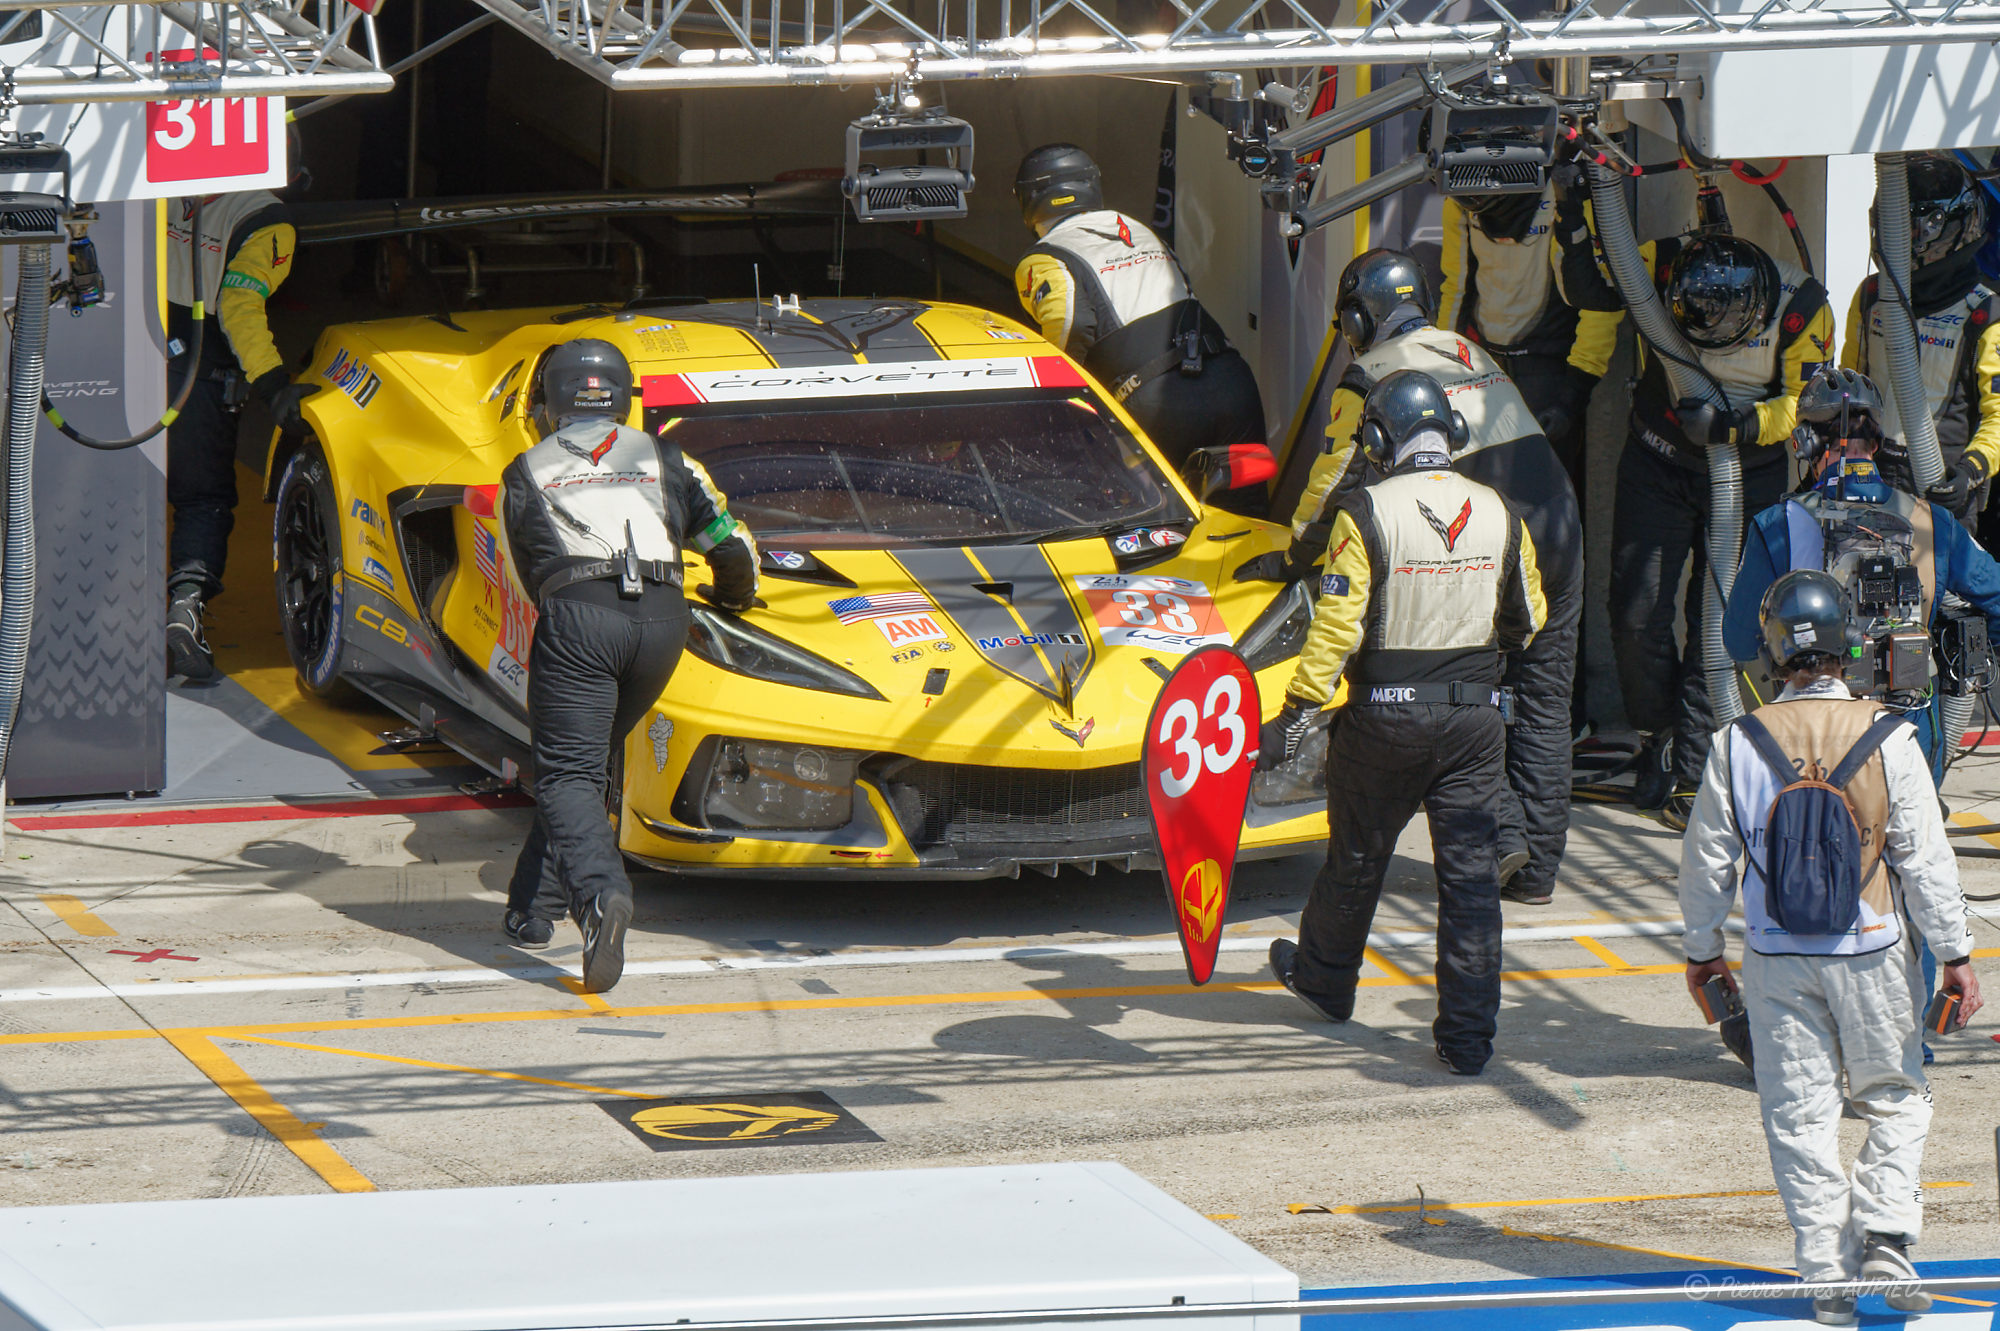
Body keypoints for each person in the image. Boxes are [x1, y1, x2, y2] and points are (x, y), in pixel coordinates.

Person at [1679, 568, 1979, 1326]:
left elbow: (1707, 863)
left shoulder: (1735, 741)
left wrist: (1703, 951)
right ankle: (1885, 1231)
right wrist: (1956, 954)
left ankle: (1825, 1274)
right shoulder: (1890, 736)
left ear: (1772, 649)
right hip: (1874, 949)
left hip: (1777, 960)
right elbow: (1925, 859)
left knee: (1798, 1116)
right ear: (1848, 646)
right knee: (1898, 1096)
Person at [1260, 248, 1582, 906]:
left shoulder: (1373, 373)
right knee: (1544, 703)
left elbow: (1334, 484)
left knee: (1452, 695)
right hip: (1558, 527)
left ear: (1357, 318)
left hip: (1485, 545)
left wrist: (1292, 557)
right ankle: (1536, 871)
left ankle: (1497, 842)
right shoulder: (1466, 350)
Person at [1261, 369, 1548, 1076]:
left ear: (1382, 439)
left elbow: (1336, 629)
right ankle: (1468, 1039)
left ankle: (1327, 981)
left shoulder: (1363, 513)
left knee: (1357, 858)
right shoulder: (1499, 510)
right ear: (1448, 436)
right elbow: (1530, 619)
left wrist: (1294, 713)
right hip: (1475, 725)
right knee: (1472, 884)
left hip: (1383, 721)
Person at [499, 338, 758, 992]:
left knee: (567, 773)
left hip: (582, 616)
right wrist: (732, 599)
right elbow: (733, 550)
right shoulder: (668, 457)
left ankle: (601, 897)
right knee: (582, 768)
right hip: (665, 624)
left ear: (550, 399)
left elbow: (531, 572)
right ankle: (534, 909)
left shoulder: (525, 469)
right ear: (624, 393)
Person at [1612, 229, 1833, 823]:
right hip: (1657, 455)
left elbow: (1805, 401)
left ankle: (1694, 772)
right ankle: (1657, 736)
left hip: (1746, 466)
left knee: (1716, 619)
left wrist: (1734, 426)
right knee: (1636, 616)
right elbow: (1591, 284)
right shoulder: (1662, 264)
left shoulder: (1802, 304)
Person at [1724, 366, 2000, 781]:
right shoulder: (1934, 524)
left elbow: (1738, 639)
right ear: (1877, 443)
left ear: (1805, 443)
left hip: (1810, 745)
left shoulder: (1776, 525)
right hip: (1909, 745)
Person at [1012, 144, 1271, 502]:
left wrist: (1050, 407)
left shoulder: (1044, 255)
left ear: (1029, 197)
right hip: (1231, 383)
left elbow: (1070, 327)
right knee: (1245, 523)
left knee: (1162, 531)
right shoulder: (1138, 230)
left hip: (1155, 405)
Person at [165, 163, 318, 682]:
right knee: (202, 500)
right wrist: (273, 384)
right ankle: (184, 610)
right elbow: (238, 301)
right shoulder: (265, 219)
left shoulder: (150, 184)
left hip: (126, 360)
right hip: (199, 376)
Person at [1437, 177, 1624, 501]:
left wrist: (1573, 395)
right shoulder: (1462, 191)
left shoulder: (1568, 193)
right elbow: (1456, 286)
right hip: (1485, 368)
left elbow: (1600, 302)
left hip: (1549, 372)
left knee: (1542, 507)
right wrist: (1440, 373)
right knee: (1477, 498)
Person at [1843, 153, 2000, 533]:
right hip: (1869, 474)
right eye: (1898, 228)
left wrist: (1969, 472)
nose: (1907, 241)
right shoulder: (1870, 296)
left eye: (1918, 230)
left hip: (1941, 483)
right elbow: (1849, 384)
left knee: (1942, 593)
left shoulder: (1985, 312)